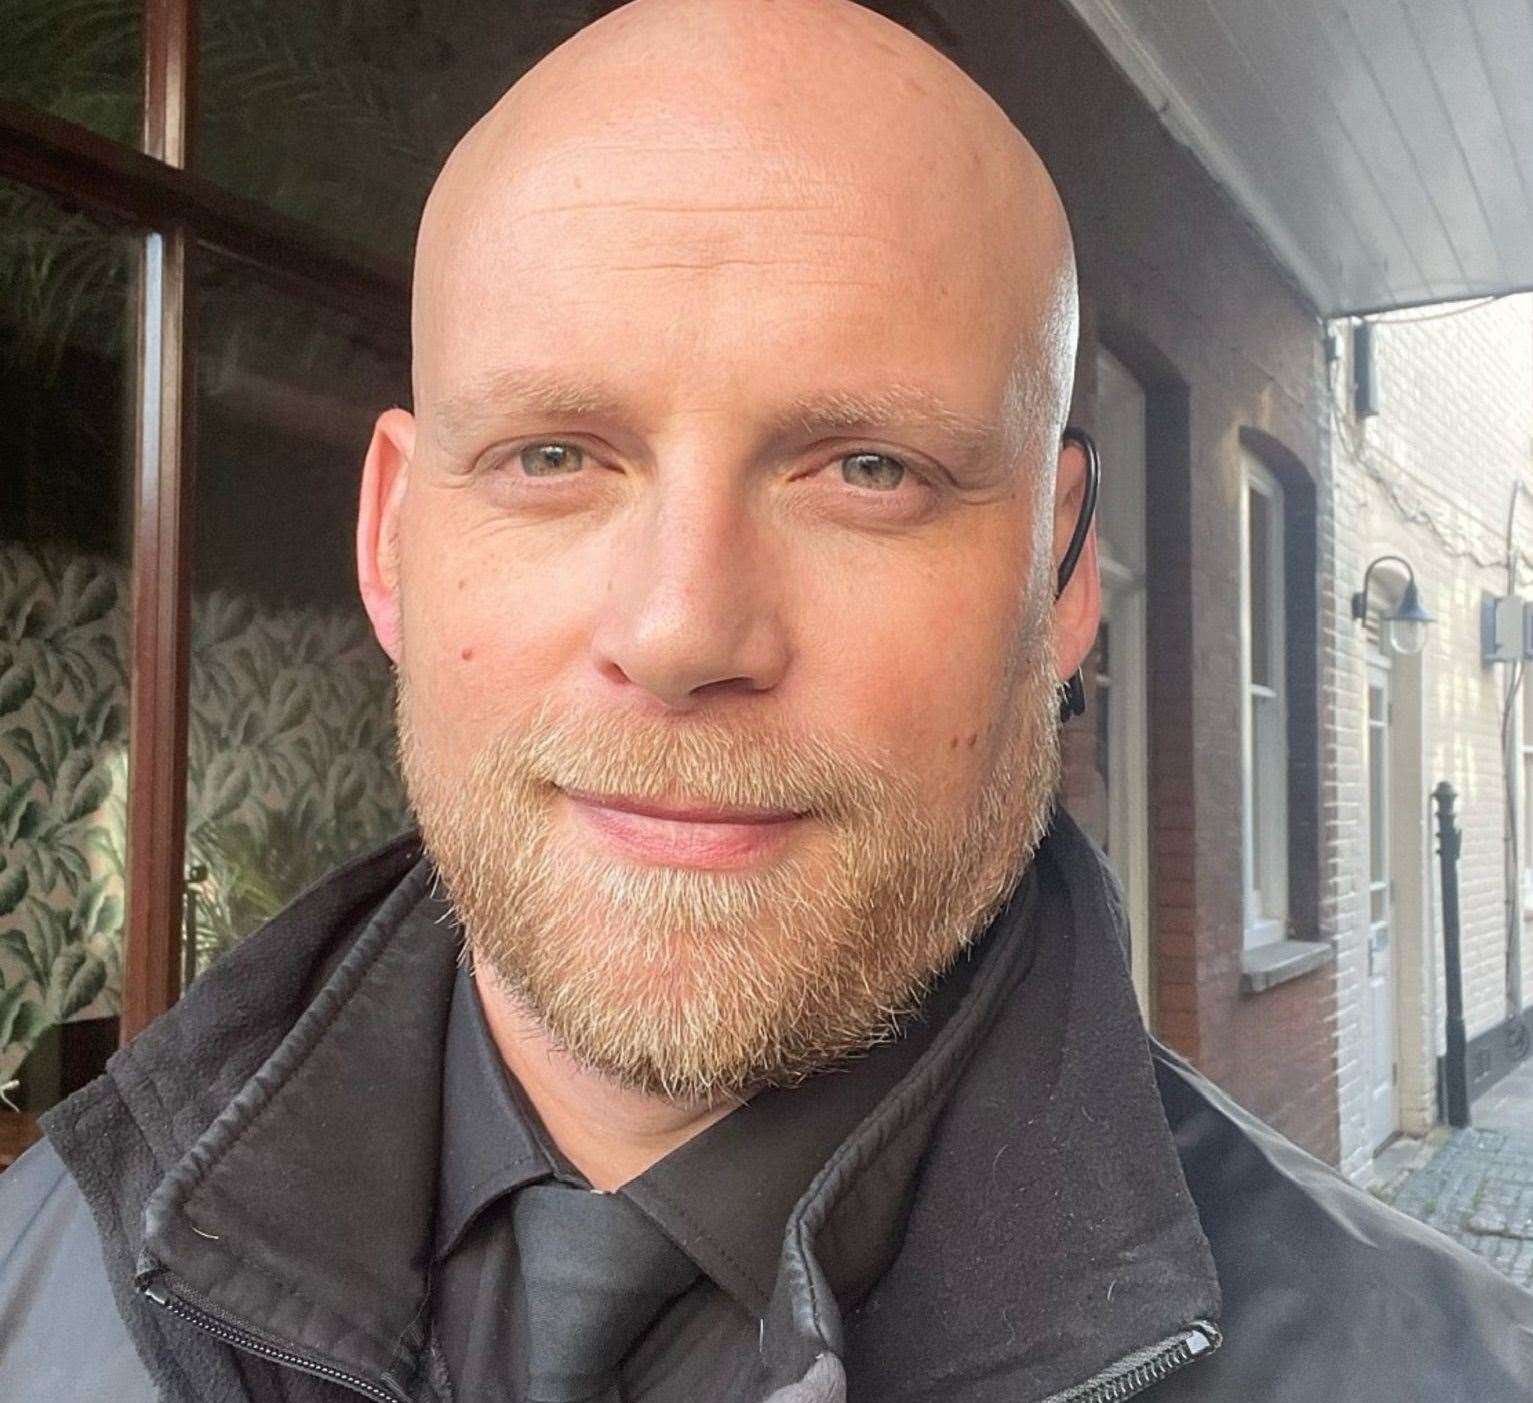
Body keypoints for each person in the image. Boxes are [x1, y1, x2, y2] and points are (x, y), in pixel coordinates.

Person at [3, 1, 1532, 1399]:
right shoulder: (38, 1270)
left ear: (1058, 575)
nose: (680, 632)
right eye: (553, 456)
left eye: (865, 470)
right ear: (394, 541)